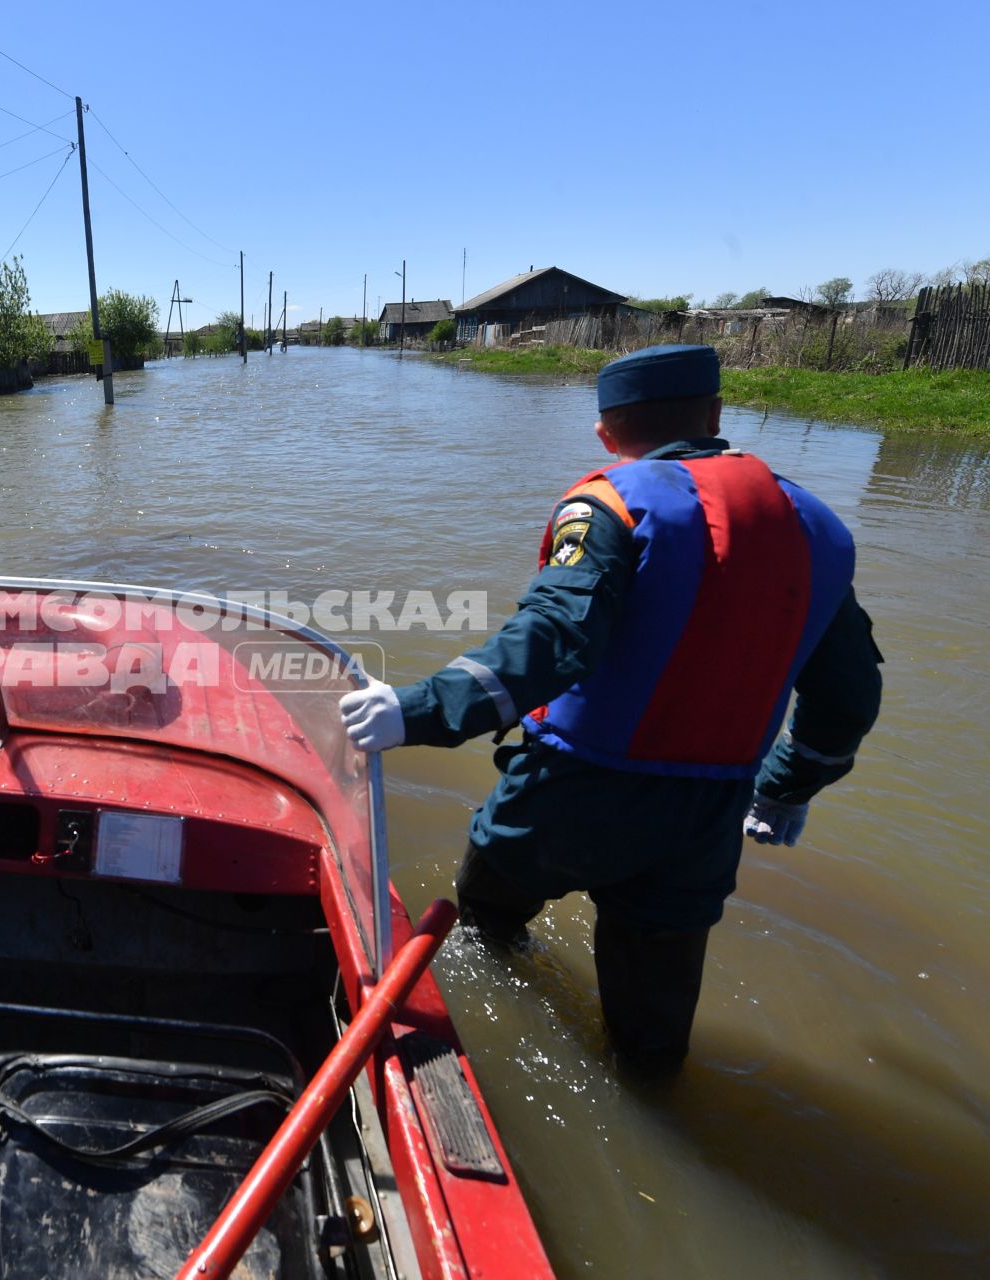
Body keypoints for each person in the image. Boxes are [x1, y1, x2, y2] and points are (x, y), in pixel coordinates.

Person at [339, 343, 882, 1076]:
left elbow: (555, 638)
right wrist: (789, 785)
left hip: (573, 790)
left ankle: (490, 1040)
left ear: (606, 432)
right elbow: (848, 691)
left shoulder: (614, 504)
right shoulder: (815, 528)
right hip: (707, 815)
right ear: (717, 415)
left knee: (487, 920)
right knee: (652, 1036)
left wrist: (417, 710)